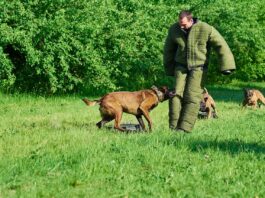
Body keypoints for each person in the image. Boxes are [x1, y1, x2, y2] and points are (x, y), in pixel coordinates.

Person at [163, 10, 236, 133]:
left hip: (199, 68)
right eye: (179, 23)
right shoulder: (174, 29)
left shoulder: (205, 28)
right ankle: (173, 128)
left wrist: (226, 66)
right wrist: (169, 69)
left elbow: (221, 45)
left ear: (191, 20)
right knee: (175, 94)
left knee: (192, 97)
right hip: (180, 67)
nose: (181, 26)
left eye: (184, 24)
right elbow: (168, 50)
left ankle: (184, 129)